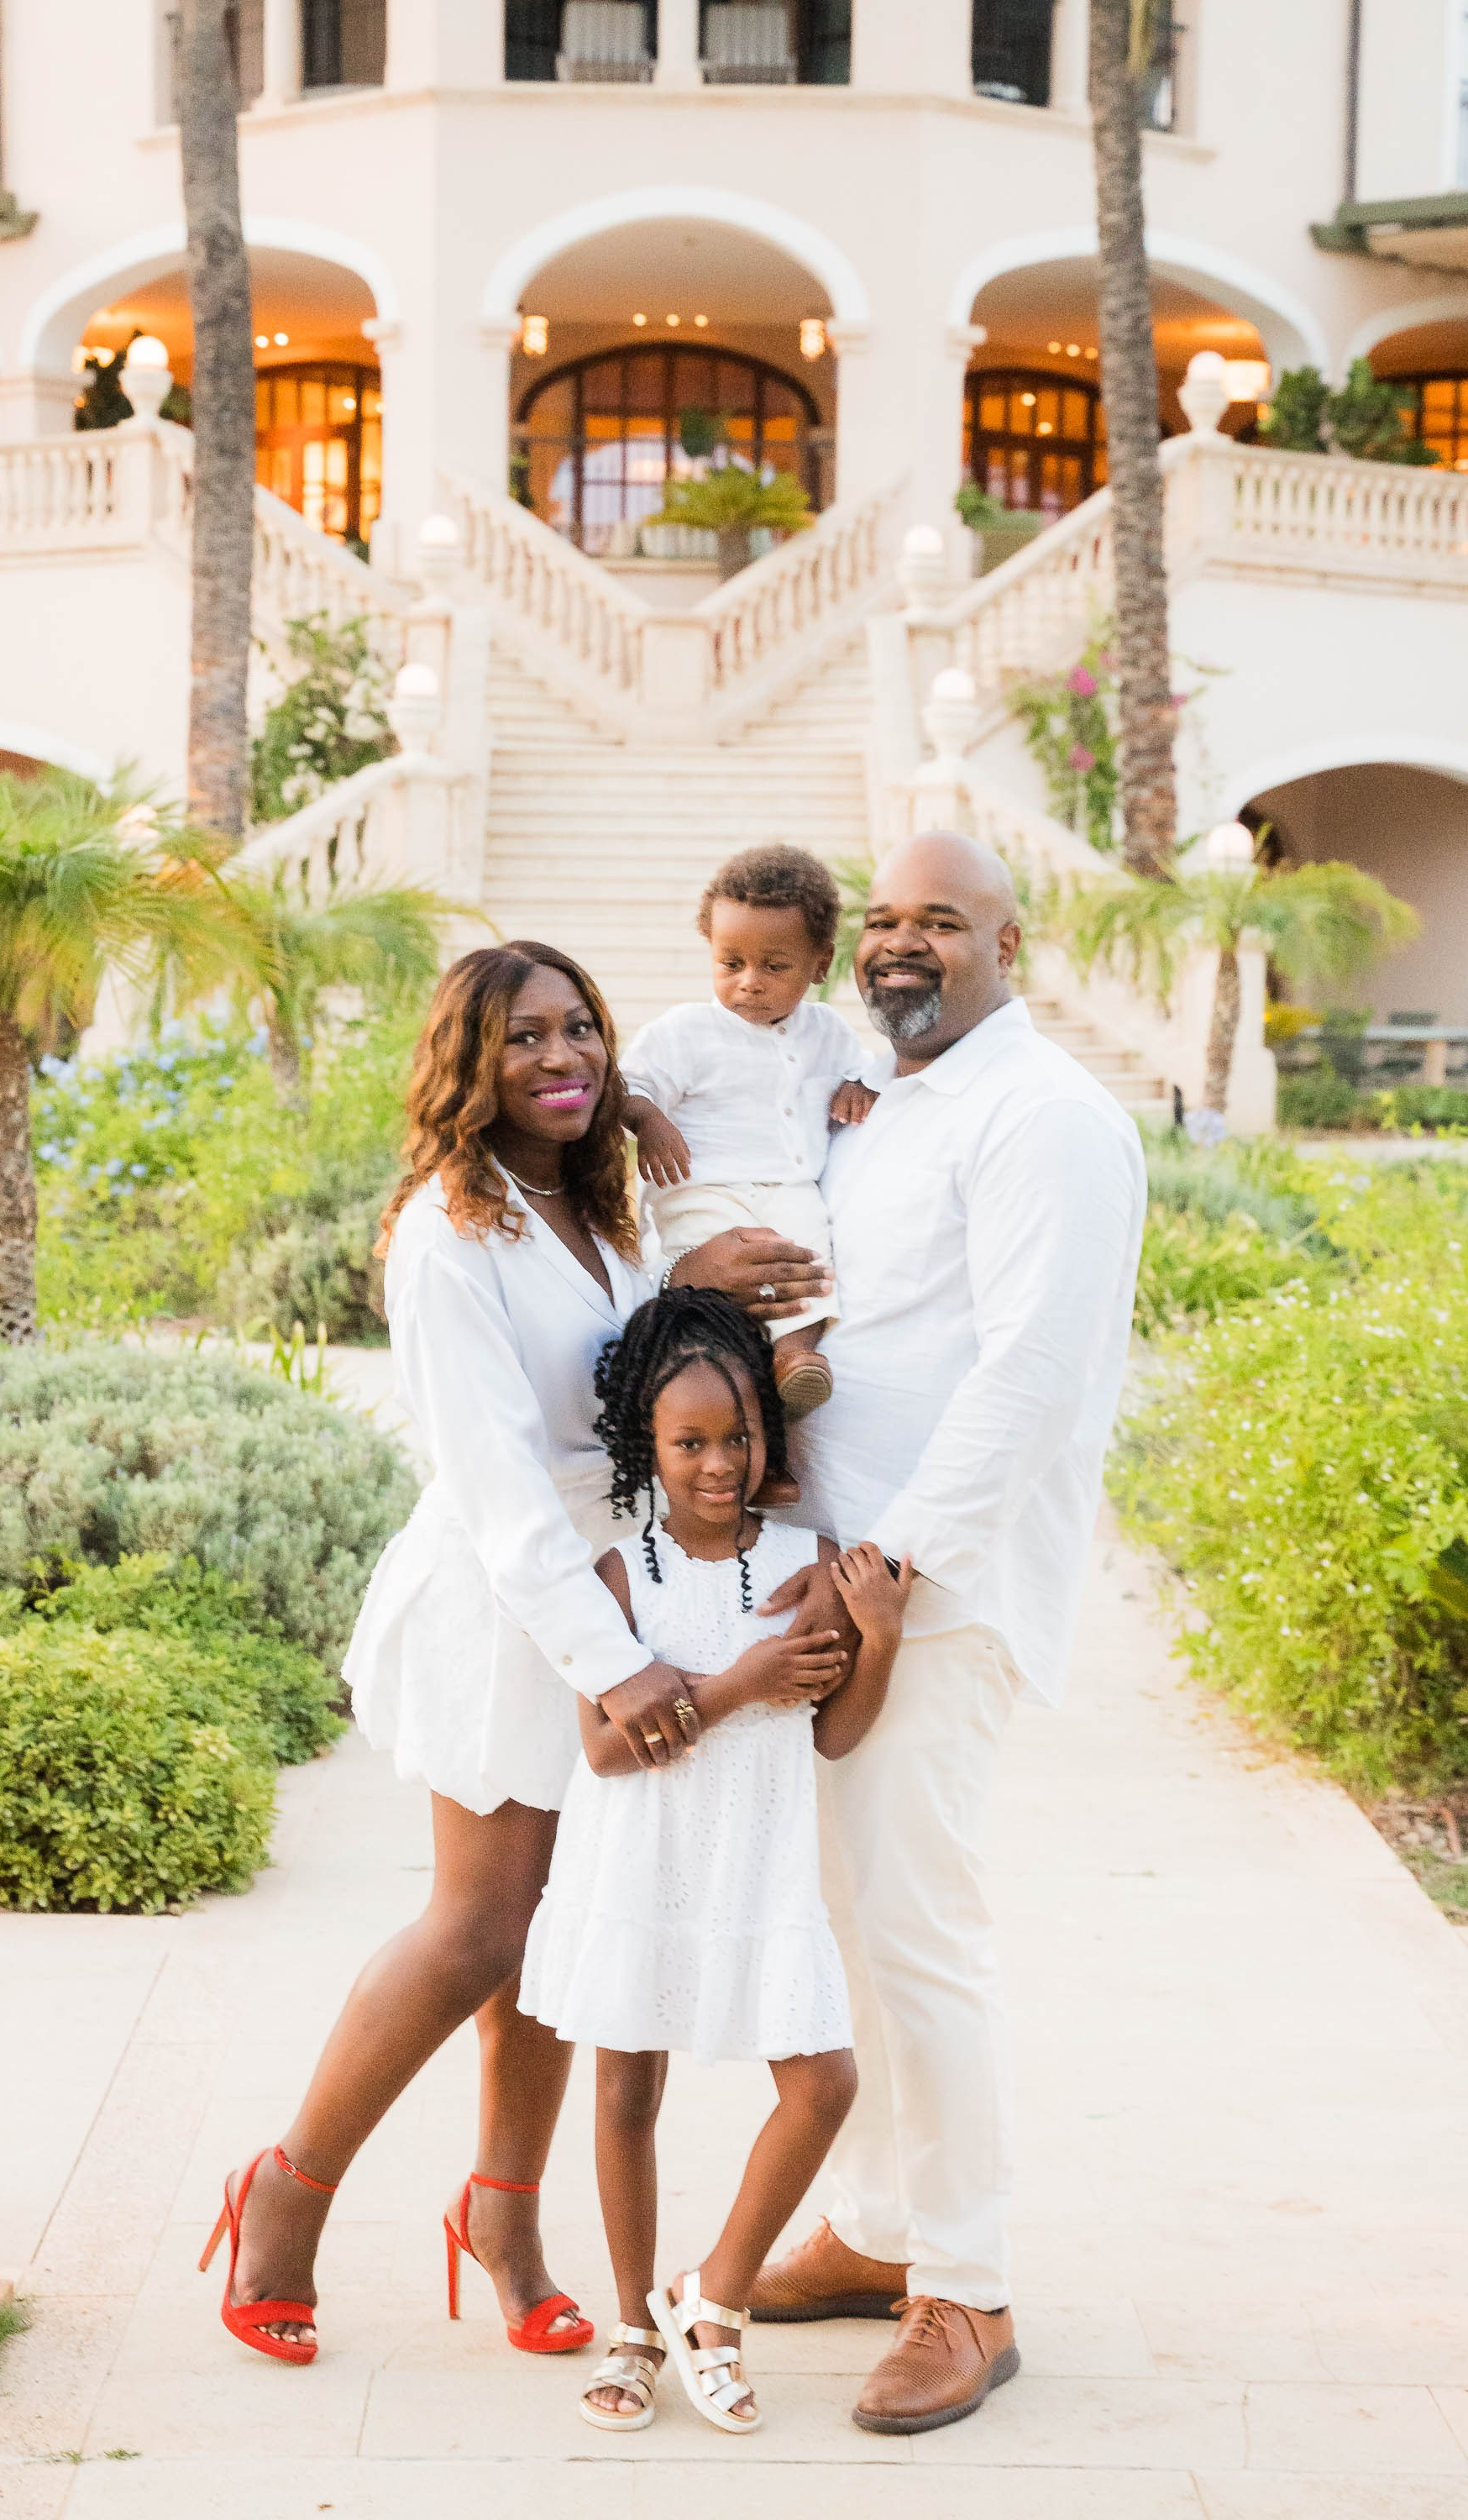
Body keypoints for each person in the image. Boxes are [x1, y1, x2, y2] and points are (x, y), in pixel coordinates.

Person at [201, 942, 838, 2367]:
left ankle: (503, 2218)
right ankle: (284, 2195)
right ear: (468, 1065)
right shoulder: (447, 1230)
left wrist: (696, 1284)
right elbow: (495, 1482)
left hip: (614, 1584)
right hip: (514, 1606)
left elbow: (616, 1371)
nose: (564, 1059)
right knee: (480, 1927)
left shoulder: (595, 1206)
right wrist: (611, 1661)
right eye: (526, 1040)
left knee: (567, 1934)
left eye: (580, 1032)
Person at [748, 832, 1146, 2439]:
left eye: (942, 922)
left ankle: (965, 2290)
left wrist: (893, 1562)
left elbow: (1033, 1373)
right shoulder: (899, 1103)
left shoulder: (1050, 1118)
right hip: (849, 1582)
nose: (906, 946)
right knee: (850, 1920)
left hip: (935, 1590)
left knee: (917, 1930)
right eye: (888, 921)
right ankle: (874, 2225)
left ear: (1009, 939)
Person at [519, 1289, 907, 2436]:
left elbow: (834, 1731)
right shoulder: (620, 1577)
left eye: (737, 1437)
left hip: (760, 1865)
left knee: (823, 2083)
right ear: (650, 1442)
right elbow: (603, 1747)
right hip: (642, 1863)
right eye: (690, 1443)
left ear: (766, 1435)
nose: (719, 1464)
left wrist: (873, 1638)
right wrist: (740, 1683)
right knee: (629, 2087)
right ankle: (638, 2330)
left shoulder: (810, 1559)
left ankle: (715, 2301)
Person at [621, 844, 876, 1466]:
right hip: (701, 1190)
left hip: (789, 1189)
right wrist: (649, 1120)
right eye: (730, 962)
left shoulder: (828, 1032)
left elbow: (863, 1075)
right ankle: (733, 1427)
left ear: (820, 965)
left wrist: (856, 1089)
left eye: (774, 965)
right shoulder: (685, 1032)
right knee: (721, 1315)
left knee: (808, 1264)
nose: (749, 981)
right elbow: (626, 1085)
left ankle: (795, 1360)